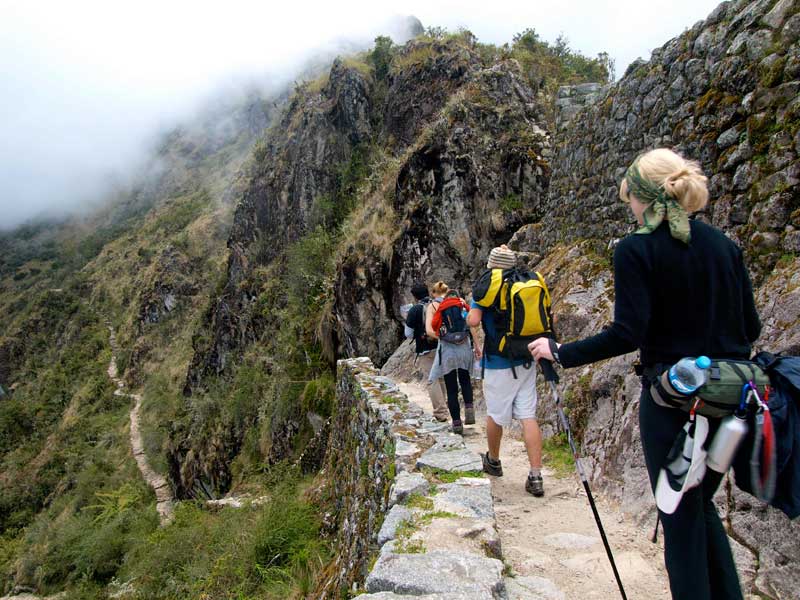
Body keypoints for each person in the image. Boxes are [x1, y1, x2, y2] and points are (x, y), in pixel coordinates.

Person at [529, 148, 760, 600]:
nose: (628, 207)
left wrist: (562, 352)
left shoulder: (636, 249)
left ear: (643, 197)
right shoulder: (725, 247)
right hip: (730, 400)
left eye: (629, 197)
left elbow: (627, 334)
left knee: (678, 513)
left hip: (673, 404)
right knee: (697, 504)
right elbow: (749, 327)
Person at [467, 246, 545, 497]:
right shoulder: (527, 281)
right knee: (528, 415)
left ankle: (494, 460)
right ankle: (535, 475)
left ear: (492, 265)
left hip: (499, 361)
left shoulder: (488, 286)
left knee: (495, 415)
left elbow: (473, 321)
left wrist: (475, 307)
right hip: (527, 358)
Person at [426, 282, 475, 434]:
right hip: (464, 347)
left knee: (451, 387)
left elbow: (431, 328)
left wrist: (444, 337)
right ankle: (469, 409)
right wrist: (477, 346)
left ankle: (456, 422)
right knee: (465, 379)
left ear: (434, 293)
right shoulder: (461, 303)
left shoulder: (435, 307)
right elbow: (471, 324)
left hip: (447, 351)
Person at [404, 282, 449, 422]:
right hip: (443, 345)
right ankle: (445, 406)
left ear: (414, 296)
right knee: (441, 378)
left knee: (432, 379)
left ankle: (440, 413)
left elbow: (409, 334)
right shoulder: (437, 304)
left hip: (426, 348)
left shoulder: (415, 310)